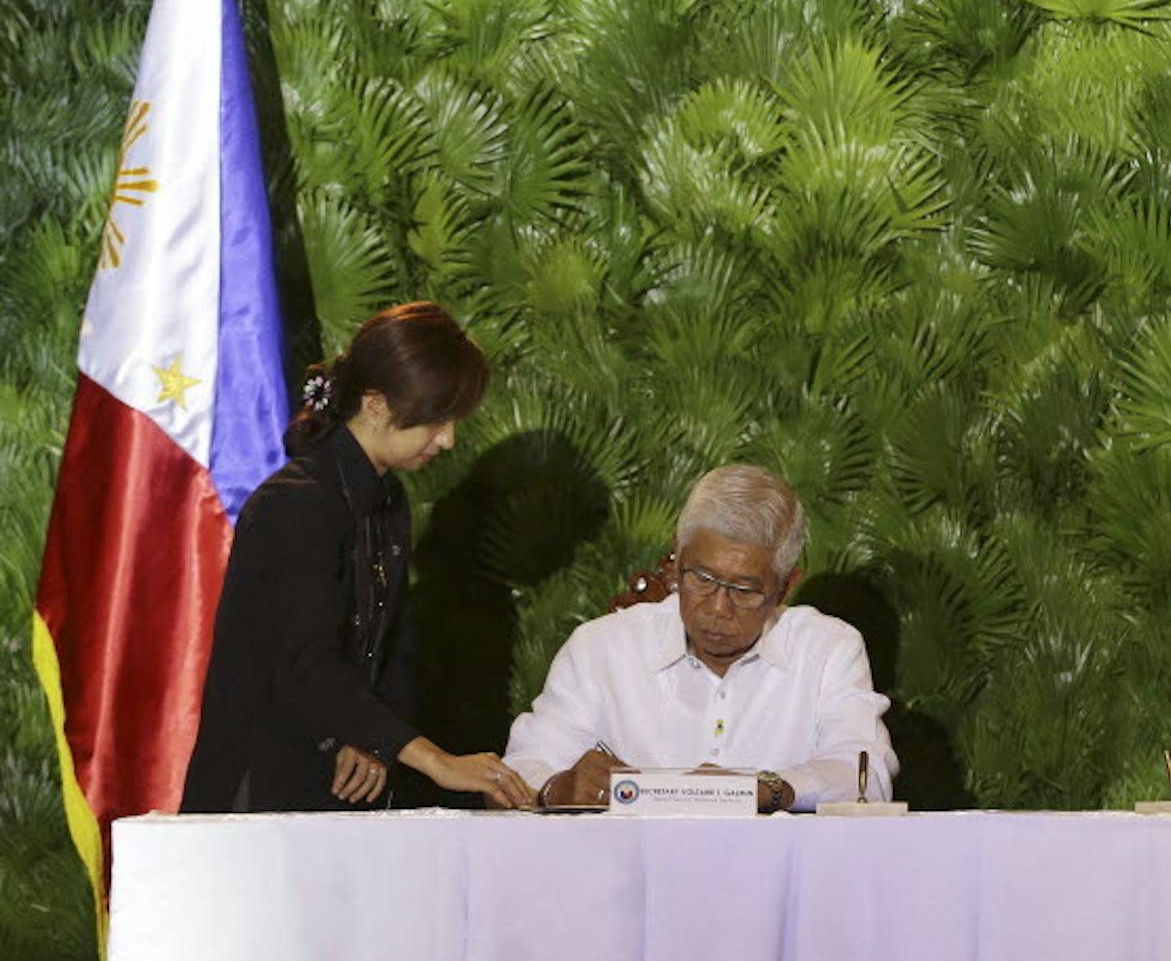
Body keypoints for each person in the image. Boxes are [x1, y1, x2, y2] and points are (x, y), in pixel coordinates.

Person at [182, 302, 535, 812]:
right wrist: (433, 760)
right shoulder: (294, 503)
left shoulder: (388, 501)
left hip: (342, 792)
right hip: (260, 796)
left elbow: (391, 650)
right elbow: (305, 663)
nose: (448, 439)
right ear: (374, 404)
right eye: (436, 420)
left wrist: (375, 740)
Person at [503, 464, 898, 813]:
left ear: (786, 586)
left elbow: (866, 774)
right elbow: (521, 769)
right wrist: (557, 788)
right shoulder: (602, 647)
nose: (718, 609)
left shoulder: (827, 648)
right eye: (701, 579)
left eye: (745, 590)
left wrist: (763, 788)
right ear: (677, 559)